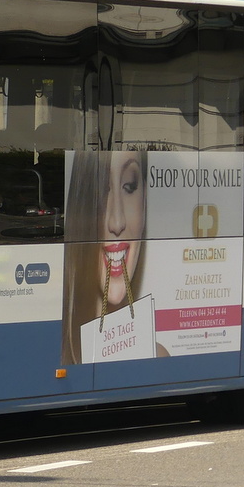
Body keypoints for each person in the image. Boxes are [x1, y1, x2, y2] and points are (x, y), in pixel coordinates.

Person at [62, 148, 152, 363]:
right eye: (101, 191)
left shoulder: (157, 356)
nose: (117, 222)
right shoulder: (56, 354)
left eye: (129, 186)